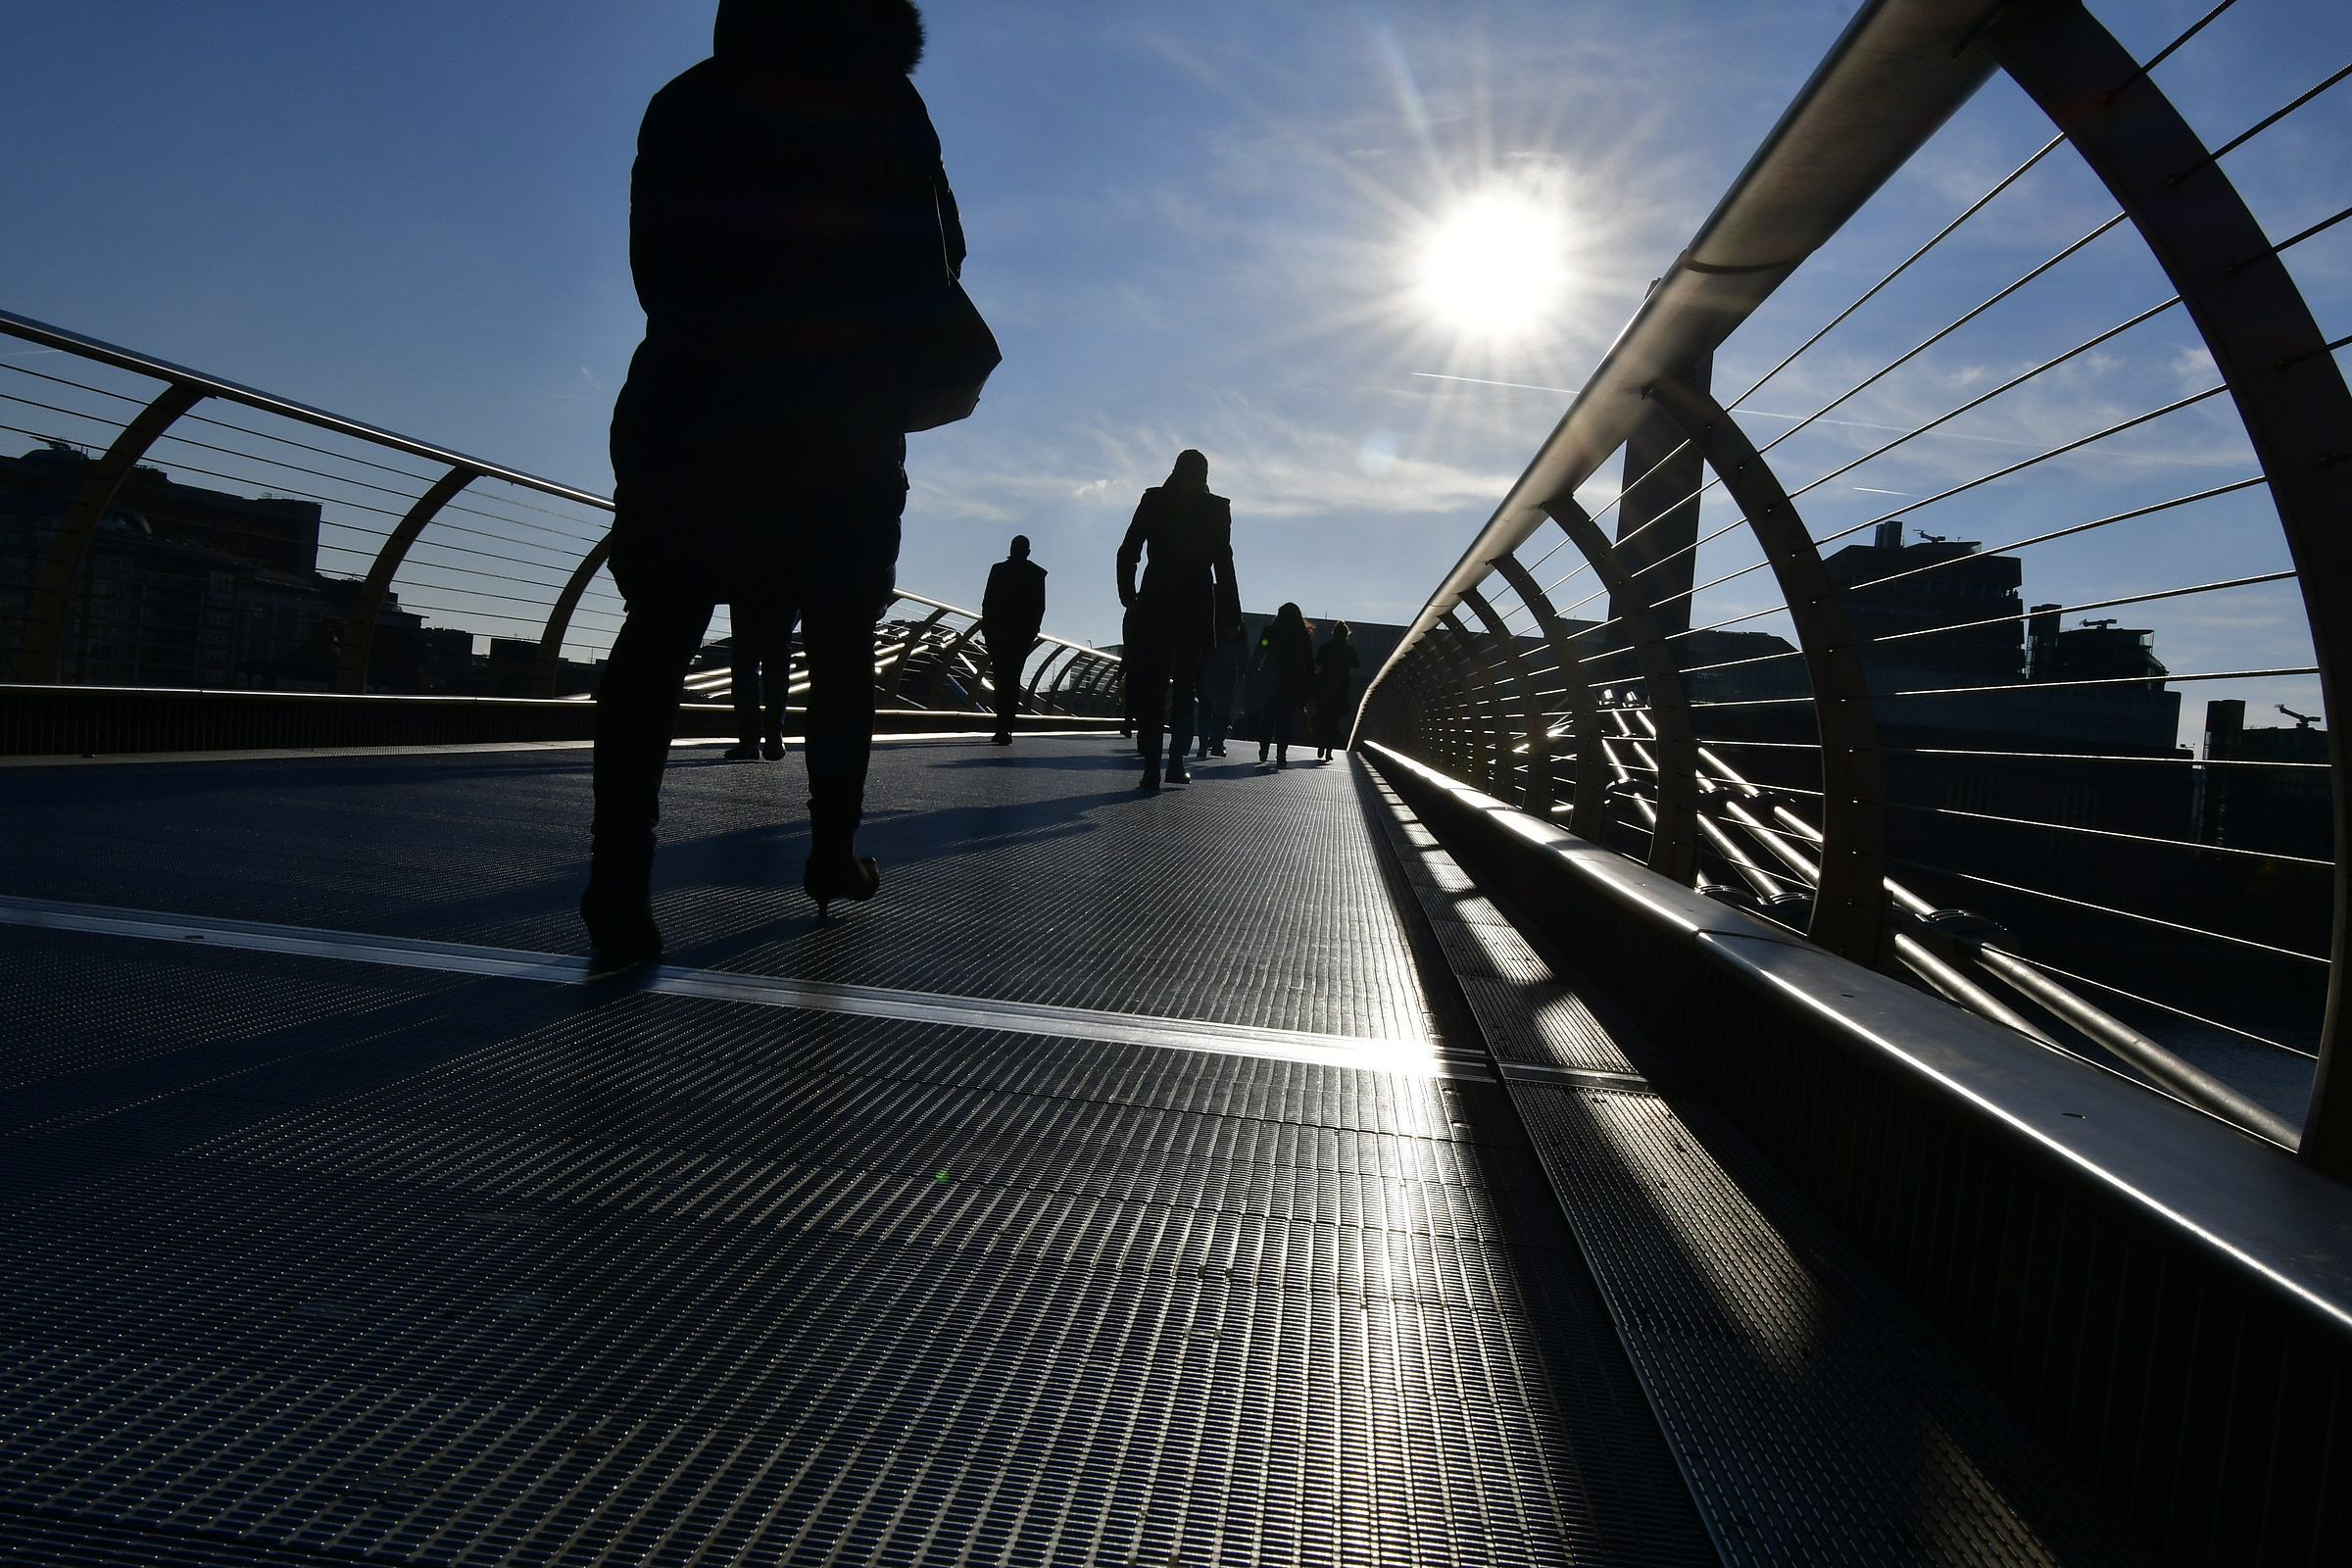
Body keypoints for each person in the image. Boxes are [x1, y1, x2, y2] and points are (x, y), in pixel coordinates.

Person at [581, 0, 960, 960]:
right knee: (839, 649)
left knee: (658, 630)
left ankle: (617, 882)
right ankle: (831, 851)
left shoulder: (687, 101)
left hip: (691, 392)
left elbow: (650, 260)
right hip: (839, 413)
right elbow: (939, 255)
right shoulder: (887, 105)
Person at [1116, 449, 1240, 791]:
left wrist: (1129, 595)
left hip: (1155, 599)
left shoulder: (1153, 500)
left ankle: (1151, 768)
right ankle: (1177, 763)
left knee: (1153, 684)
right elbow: (1224, 564)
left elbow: (1129, 550)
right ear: (1204, 475)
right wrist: (1231, 615)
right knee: (1186, 685)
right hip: (1196, 602)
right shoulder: (1217, 508)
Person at [980, 534, 1045, 745]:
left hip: (998, 632)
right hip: (1021, 635)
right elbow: (1039, 607)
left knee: (1000, 679)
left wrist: (987, 628)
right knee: (1013, 679)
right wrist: (1031, 632)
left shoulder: (998, 570)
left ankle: (1001, 726)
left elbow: (988, 601)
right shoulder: (1036, 574)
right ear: (1028, 552)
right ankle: (1007, 728)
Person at [1250, 603, 1315, 769]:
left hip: (1269, 679)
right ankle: (1281, 753)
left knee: (1268, 716)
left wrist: (1252, 674)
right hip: (1292, 681)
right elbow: (1308, 662)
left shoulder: (1269, 633)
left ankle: (1264, 749)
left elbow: (1260, 651)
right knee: (1285, 719)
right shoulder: (1302, 636)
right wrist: (1310, 684)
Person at [723, 599, 789, 761]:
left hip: (746, 586)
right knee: (776, 659)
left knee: (744, 661)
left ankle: (749, 740)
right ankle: (774, 736)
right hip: (785, 585)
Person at [1311, 619, 1360, 762]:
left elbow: (1318, 661)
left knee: (1323, 716)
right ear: (1346, 635)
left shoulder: (1325, 647)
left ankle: (1321, 739)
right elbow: (1356, 664)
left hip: (1325, 687)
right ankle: (1329, 749)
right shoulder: (1349, 650)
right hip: (1341, 688)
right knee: (1334, 721)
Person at [1195, 623, 1244, 759]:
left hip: (1206, 662)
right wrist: (1244, 670)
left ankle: (1203, 745)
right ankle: (1217, 743)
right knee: (1224, 705)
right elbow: (1242, 646)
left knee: (1205, 706)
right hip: (1228, 665)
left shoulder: (1208, 616)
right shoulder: (1233, 621)